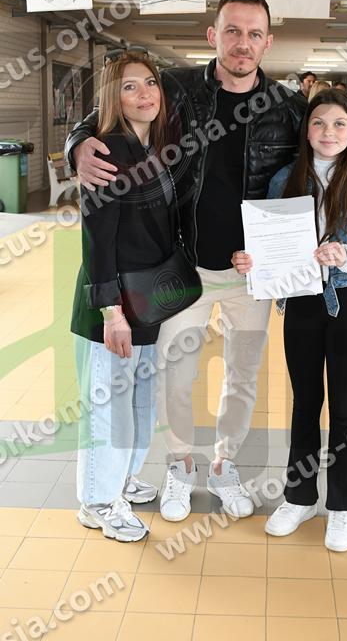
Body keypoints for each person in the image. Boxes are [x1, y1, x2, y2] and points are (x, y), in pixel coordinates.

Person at [65, 0, 305, 522]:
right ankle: (179, 465)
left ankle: (224, 464)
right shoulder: (175, 89)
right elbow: (107, 111)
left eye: (254, 34)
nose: (242, 43)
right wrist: (76, 145)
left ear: (268, 42)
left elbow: (319, 167)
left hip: (251, 275)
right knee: (175, 377)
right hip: (182, 265)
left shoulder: (289, 108)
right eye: (233, 31)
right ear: (213, 35)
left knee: (242, 378)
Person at [232, 89, 347, 551]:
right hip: (302, 302)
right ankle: (299, 497)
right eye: (319, 123)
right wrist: (251, 262)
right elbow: (266, 244)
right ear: (306, 130)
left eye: (339, 124)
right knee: (305, 403)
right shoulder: (286, 178)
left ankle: (343, 507)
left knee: (344, 406)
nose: (329, 132)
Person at [71, 51, 178, 541]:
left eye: (150, 83)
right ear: (113, 98)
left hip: (147, 299)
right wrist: (111, 313)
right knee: (109, 408)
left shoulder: (153, 146)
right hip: (113, 303)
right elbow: (97, 238)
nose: (144, 94)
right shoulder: (108, 151)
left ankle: (122, 480)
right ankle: (97, 500)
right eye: (130, 86)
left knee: (139, 404)